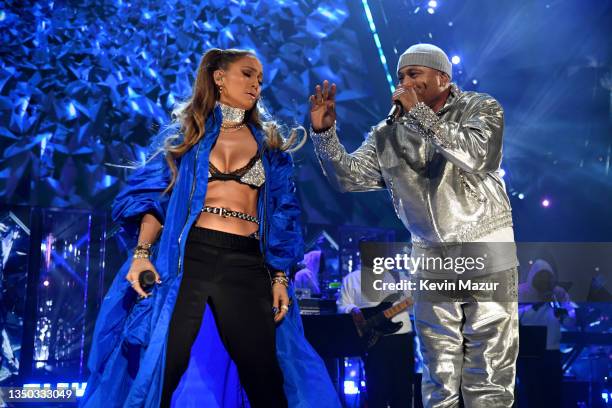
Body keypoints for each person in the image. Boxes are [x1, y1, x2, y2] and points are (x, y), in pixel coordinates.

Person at [82, 48, 340, 408]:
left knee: (265, 376)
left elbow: (284, 214)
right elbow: (155, 203)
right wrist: (141, 255)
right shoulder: (187, 137)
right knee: (161, 366)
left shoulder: (270, 145)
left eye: (260, 80)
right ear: (219, 77)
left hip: (246, 263)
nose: (256, 85)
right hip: (191, 258)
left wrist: (280, 277)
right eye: (248, 74)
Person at [309, 43, 519, 407]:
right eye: (401, 76)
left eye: (414, 74)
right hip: (429, 253)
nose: (404, 82)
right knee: (438, 371)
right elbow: (350, 178)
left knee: (488, 369)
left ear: (442, 77)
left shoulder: (481, 107)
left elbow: (478, 155)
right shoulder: (387, 132)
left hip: (484, 246)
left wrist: (420, 115)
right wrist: (325, 136)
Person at [337, 267, 414, 408]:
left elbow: (414, 305)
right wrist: (353, 310)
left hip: (401, 338)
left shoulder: (401, 277)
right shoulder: (352, 278)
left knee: (403, 389)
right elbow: (342, 305)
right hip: (374, 340)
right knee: (376, 390)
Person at [518, 259, 576, 408]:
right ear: (533, 277)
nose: (544, 280)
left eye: (547, 277)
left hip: (552, 352)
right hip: (529, 354)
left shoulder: (558, 293)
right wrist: (536, 305)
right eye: (541, 277)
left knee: (552, 396)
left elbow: (572, 322)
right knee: (531, 395)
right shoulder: (521, 291)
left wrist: (563, 314)